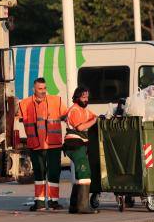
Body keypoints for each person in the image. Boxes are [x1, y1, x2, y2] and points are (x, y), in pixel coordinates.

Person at [17, 77, 67, 211]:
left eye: (44, 88)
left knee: (54, 173)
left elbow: (67, 115)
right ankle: (39, 202)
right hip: (36, 145)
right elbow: (18, 118)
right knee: (39, 174)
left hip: (53, 144)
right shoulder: (25, 104)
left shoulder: (56, 101)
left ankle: (53, 202)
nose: (43, 91)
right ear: (34, 89)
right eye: (40, 89)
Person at [64, 86, 99, 214]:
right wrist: (94, 121)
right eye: (83, 97)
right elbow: (80, 127)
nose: (86, 99)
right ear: (77, 97)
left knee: (80, 174)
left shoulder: (84, 110)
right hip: (75, 145)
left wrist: (99, 117)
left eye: (87, 97)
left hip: (80, 145)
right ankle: (83, 206)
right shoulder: (74, 110)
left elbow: (94, 116)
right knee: (85, 173)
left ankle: (74, 206)